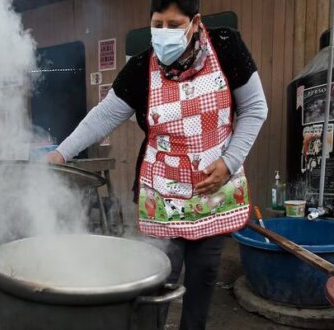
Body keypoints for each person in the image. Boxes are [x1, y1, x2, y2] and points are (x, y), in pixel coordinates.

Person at [46, 0, 268, 329]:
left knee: (203, 277)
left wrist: (229, 162)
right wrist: (61, 154)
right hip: (164, 196)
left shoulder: (225, 47)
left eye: (175, 25)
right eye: (158, 23)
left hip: (214, 193)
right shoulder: (140, 68)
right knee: (156, 280)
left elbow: (254, 109)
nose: (164, 33)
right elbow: (103, 117)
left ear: (195, 23)